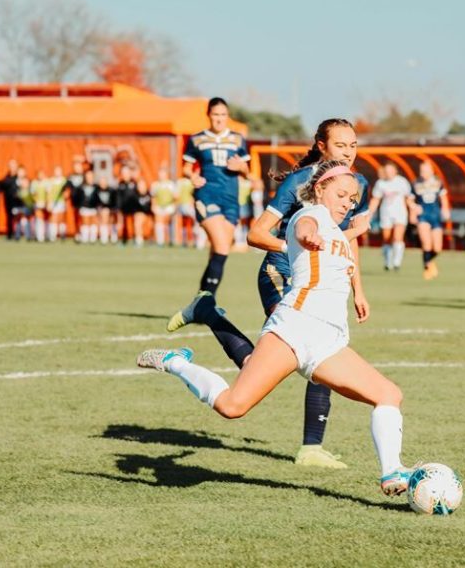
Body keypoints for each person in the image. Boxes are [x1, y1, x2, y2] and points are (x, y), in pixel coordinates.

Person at [138, 160, 411, 497]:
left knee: (388, 395)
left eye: (352, 199)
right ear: (320, 188)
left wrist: (359, 251)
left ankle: (392, 474)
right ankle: (176, 362)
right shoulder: (308, 215)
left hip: (330, 341)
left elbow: (341, 239)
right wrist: (306, 235)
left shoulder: (338, 231)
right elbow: (303, 227)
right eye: (341, 194)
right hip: (295, 328)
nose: (347, 202)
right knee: (232, 407)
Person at [168, 118, 371, 470]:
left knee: (320, 353)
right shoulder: (299, 182)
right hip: (282, 272)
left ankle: (311, 449)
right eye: (341, 145)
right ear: (321, 146)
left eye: (353, 145)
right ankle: (209, 314)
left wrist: (358, 289)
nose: (349, 153)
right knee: (276, 361)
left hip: (323, 281)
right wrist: (296, 248)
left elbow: (344, 241)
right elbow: (256, 234)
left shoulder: (357, 183)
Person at [179, 97, 250, 292]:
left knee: (218, 251)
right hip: (207, 195)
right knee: (222, 247)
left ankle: (201, 299)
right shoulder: (197, 139)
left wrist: (241, 167)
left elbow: (247, 172)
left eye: (223, 115)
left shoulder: (237, 139)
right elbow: (185, 168)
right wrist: (192, 176)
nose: (219, 119)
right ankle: (206, 303)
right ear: (208, 115)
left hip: (231, 200)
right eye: (215, 114)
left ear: (228, 116)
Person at [410, 161, 451, 280]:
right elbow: (410, 200)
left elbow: (443, 198)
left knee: (437, 248)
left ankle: (429, 262)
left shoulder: (438, 182)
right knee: (426, 244)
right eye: (422, 171)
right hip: (423, 215)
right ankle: (427, 267)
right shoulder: (416, 184)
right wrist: (413, 209)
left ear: (432, 171)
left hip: (436, 216)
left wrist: (445, 209)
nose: (424, 173)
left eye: (426, 171)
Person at [370, 163, 413, 271]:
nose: (389, 173)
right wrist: (370, 213)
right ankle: (387, 262)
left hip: (400, 213)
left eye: (391, 170)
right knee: (386, 238)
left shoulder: (402, 182)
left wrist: (413, 209)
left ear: (395, 171)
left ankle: (397, 262)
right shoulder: (380, 183)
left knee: (398, 237)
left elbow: (409, 198)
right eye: (387, 171)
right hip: (386, 213)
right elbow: (375, 199)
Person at [61, 157, 86, 241]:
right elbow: (65, 186)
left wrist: (83, 159)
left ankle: (85, 235)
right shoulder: (71, 176)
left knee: (83, 218)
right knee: (76, 218)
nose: (77, 168)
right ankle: (78, 234)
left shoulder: (85, 175)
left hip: (84, 201)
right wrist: (65, 193)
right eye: (76, 166)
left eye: (79, 166)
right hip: (74, 201)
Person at [151, 167, 176, 246]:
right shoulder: (155, 185)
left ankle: (170, 240)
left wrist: (173, 205)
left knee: (167, 221)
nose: (161, 175)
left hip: (169, 206)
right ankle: (160, 241)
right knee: (158, 221)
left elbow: (176, 197)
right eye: (160, 174)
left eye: (163, 174)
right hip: (159, 206)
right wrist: (153, 206)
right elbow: (153, 197)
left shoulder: (171, 184)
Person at [117, 165, 139, 245]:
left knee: (135, 224)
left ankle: (135, 238)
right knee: (124, 224)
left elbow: (137, 195)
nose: (125, 174)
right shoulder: (121, 184)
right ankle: (124, 239)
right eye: (124, 173)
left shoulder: (134, 182)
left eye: (127, 173)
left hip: (133, 207)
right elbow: (119, 197)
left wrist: (137, 207)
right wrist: (119, 208)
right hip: (124, 207)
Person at [0, 160, 20, 240]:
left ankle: (18, 233)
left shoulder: (19, 177)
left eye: (13, 166)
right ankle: (9, 234)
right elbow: (2, 186)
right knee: (9, 218)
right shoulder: (7, 178)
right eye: (11, 166)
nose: (12, 168)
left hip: (17, 201)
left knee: (18, 217)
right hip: (8, 201)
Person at [175, 173, 196, 247]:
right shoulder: (191, 182)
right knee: (194, 222)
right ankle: (194, 241)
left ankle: (186, 241)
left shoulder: (179, 182)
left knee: (185, 223)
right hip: (188, 205)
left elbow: (176, 195)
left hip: (182, 205)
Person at [46, 166, 67, 242]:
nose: (57, 173)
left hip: (61, 202)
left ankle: (62, 235)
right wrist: (49, 203)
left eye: (59, 171)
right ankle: (52, 236)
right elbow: (48, 192)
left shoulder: (64, 180)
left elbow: (66, 192)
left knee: (61, 219)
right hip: (53, 202)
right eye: (56, 171)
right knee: (53, 219)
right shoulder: (51, 181)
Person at [78, 170, 99, 243]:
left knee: (93, 223)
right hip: (84, 207)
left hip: (93, 208)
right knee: (85, 223)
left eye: (91, 176)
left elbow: (98, 198)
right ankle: (85, 237)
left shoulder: (96, 187)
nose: (89, 178)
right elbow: (78, 197)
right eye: (88, 176)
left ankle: (93, 238)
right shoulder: (81, 186)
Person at [95, 176, 117, 245]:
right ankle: (104, 236)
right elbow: (95, 202)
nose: (103, 184)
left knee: (112, 221)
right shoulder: (97, 190)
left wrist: (112, 209)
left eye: (104, 182)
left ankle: (113, 235)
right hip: (101, 209)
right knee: (103, 218)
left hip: (111, 209)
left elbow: (114, 201)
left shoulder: (111, 190)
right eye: (101, 182)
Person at [30, 170, 49, 242]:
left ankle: (46, 235)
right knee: (39, 220)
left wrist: (47, 203)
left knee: (46, 220)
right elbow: (33, 194)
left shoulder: (47, 182)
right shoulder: (34, 183)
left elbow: (48, 193)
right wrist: (36, 201)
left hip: (45, 203)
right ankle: (39, 236)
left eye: (42, 174)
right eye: (39, 174)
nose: (40, 176)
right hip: (37, 203)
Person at [134, 179, 152, 247]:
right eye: (139, 185)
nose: (141, 187)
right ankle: (139, 239)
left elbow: (152, 206)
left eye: (142, 185)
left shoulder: (149, 194)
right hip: (140, 213)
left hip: (150, 214)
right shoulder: (136, 195)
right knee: (138, 220)